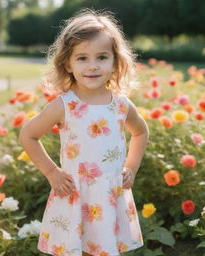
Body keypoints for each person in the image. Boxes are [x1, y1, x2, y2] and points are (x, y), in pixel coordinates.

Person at [19, 8, 149, 256]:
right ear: (67, 62)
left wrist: (131, 167)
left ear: (115, 62)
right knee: (76, 249)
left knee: (104, 249)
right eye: (82, 58)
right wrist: (51, 172)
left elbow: (141, 132)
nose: (92, 66)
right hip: (75, 194)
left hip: (110, 195)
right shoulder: (64, 105)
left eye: (102, 57)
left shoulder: (121, 105)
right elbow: (28, 135)